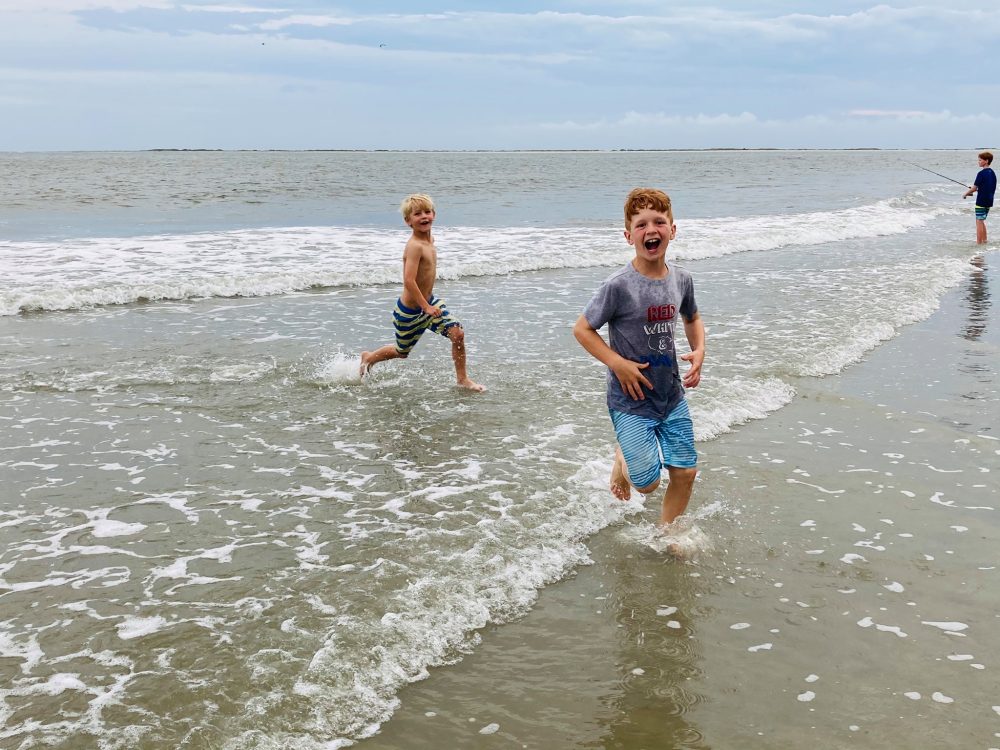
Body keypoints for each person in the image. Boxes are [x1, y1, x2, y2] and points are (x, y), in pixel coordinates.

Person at [574, 187, 705, 527]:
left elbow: (692, 317)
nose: (651, 230)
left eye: (659, 222)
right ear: (628, 234)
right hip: (630, 399)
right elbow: (583, 330)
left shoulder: (682, 279)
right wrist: (617, 363)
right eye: (641, 224)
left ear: (672, 230)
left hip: (671, 394)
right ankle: (621, 459)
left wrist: (700, 349)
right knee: (646, 484)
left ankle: (667, 532)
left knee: (686, 470)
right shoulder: (618, 285)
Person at [360, 194, 485, 391]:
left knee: (457, 334)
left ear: (434, 214)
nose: (424, 216)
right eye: (417, 214)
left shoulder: (430, 240)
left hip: (430, 303)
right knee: (401, 352)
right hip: (409, 312)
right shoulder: (414, 246)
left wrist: (428, 305)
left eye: (427, 212)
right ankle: (368, 358)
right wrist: (425, 307)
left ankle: (463, 380)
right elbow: (409, 281)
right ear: (408, 221)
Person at [963, 151, 996, 245]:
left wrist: (965, 194)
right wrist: (977, 190)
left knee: (978, 222)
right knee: (982, 221)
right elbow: (988, 186)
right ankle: (985, 241)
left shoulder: (981, 173)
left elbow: (974, 188)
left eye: (980, 160)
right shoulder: (992, 173)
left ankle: (979, 243)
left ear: (986, 161)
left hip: (981, 201)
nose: (978, 162)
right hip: (989, 200)